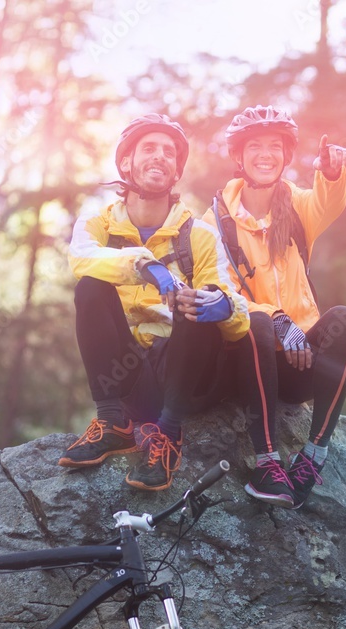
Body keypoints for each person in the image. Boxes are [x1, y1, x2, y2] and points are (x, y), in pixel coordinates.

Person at [58, 113, 249, 492]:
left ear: (176, 171)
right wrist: (146, 266)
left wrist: (222, 306)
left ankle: (168, 434)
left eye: (168, 152)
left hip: (186, 376)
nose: (160, 156)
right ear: (126, 162)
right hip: (131, 379)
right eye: (149, 148)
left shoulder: (201, 235)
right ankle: (113, 422)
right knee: (90, 287)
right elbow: (80, 258)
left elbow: (238, 307)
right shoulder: (98, 223)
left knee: (196, 300)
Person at [202, 105, 346, 509]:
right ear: (239, 157)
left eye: (275, 146)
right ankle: (267, 462)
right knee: (254, 321)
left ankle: (313, 456)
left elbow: (328, 204)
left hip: (299, 362)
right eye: (255, 146)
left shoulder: (296, 206)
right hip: (249, 363)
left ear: (287, 155)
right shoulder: (215, 221)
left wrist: (329, 173)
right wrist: (276, 318)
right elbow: (223, 291)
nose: (266, 154)